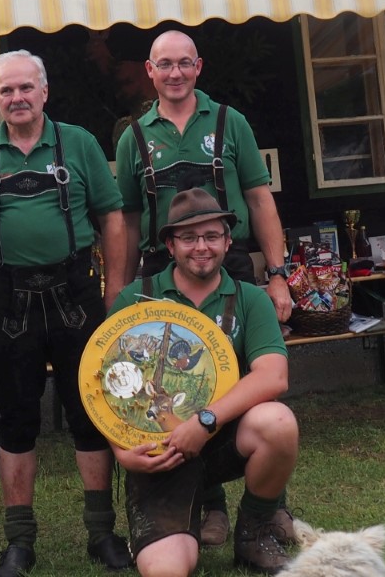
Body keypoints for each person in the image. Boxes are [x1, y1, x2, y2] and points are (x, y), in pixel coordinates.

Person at [0, 50, 131, 576]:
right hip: (8, 299)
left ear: (44, 92)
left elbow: (111, 217)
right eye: (7, 91)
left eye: (26, 88)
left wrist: (116, 292)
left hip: (75, 293)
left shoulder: (79, 143)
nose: (18, 98)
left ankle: (102, 534)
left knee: (92, 414)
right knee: (14, 420)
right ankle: (19, 541)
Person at [115, 29, 294, 546]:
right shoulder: (133, 136)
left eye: (184, 63)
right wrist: (120, 292)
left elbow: (259, 199)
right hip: (161, 267)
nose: (175, 73)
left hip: (226, 260)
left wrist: (277, 274)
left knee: (246, 379)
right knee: (177, 380)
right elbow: (128, 220)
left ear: (198, 67)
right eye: (165, 64)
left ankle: (269, 508)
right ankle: (209, 503)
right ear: (150, 71)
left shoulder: (229, 122)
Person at [108, 188, 299, 576]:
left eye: (212, 236)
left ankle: (255, 530)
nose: (201, 247)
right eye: (189, 237)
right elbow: (106, 386)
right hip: (160, 452)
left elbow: (274, 375)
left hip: (222, 436)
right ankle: (192, 515)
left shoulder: (249, 298)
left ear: (228, 241)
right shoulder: (135, 299)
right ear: (170, 245)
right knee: (166, 571)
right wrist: (122, 453)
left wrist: (205, 421)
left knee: (277, 422)